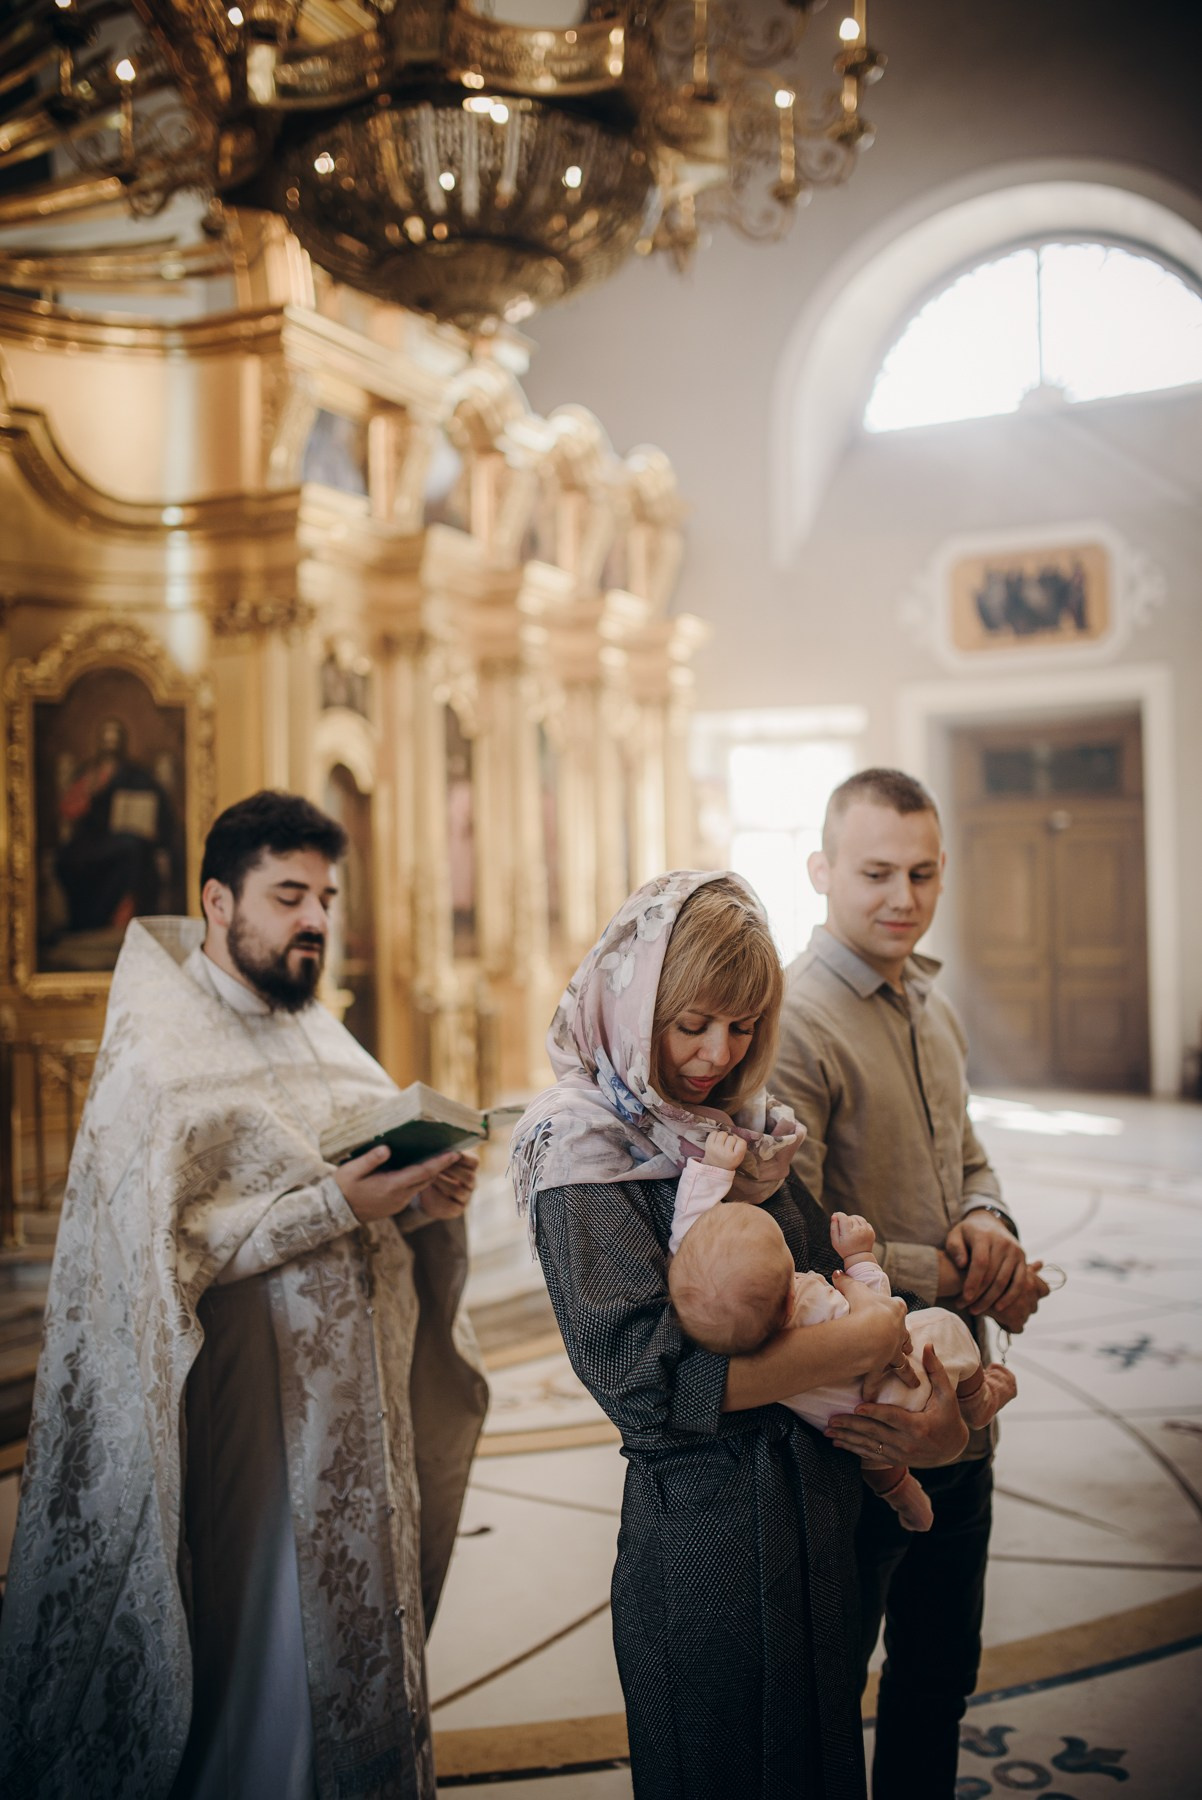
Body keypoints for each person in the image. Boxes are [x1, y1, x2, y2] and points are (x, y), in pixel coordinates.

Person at [0, 789, 489, 1800]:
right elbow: (159, 1256)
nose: (313, 918)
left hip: (346, 1430)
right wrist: (335, 1207)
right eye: (287, 896)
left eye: (324, 896)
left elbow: (363, 1192)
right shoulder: (159, 1059)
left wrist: (427, 1199)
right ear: (219, 904)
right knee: (252, 1648)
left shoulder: (324, 1040)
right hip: (239, 1430)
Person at [510, 870, 968, 1800]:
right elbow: (641, 1379)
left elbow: (806, 1274)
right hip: (709, 1535)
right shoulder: (580, 1146)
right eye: (693, 1023)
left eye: (746, 1024)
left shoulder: (732, 1132)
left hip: (816, 1522)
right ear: (635, 1005)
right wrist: (857, 1344)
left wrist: (915, 1380)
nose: (719, 1053)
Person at [772, 767, 1051, 1800]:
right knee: (831, 1683)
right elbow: (795, 1233)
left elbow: (967, 1155)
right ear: (821, 871)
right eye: (875, 873)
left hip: (962, 1402)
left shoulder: (928, 1002)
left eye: (922, 872)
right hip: (866, 1417)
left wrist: (989, 1221)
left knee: (938, 1677)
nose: (901, 896)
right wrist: (949, 1269)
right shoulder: (795, 1021)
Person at [666, 1140, 1018, 1532]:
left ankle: (900, 1491)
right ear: (787, 1302)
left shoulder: (710, 1297)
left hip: (840, 1423)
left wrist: (713, 1167)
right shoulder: (811, 1305)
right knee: (946, 1326)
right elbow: (879, 1315)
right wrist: (859, 1257)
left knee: (868, 1448)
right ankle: (978, 1397)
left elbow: (689, 1231)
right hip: (903, 1388)